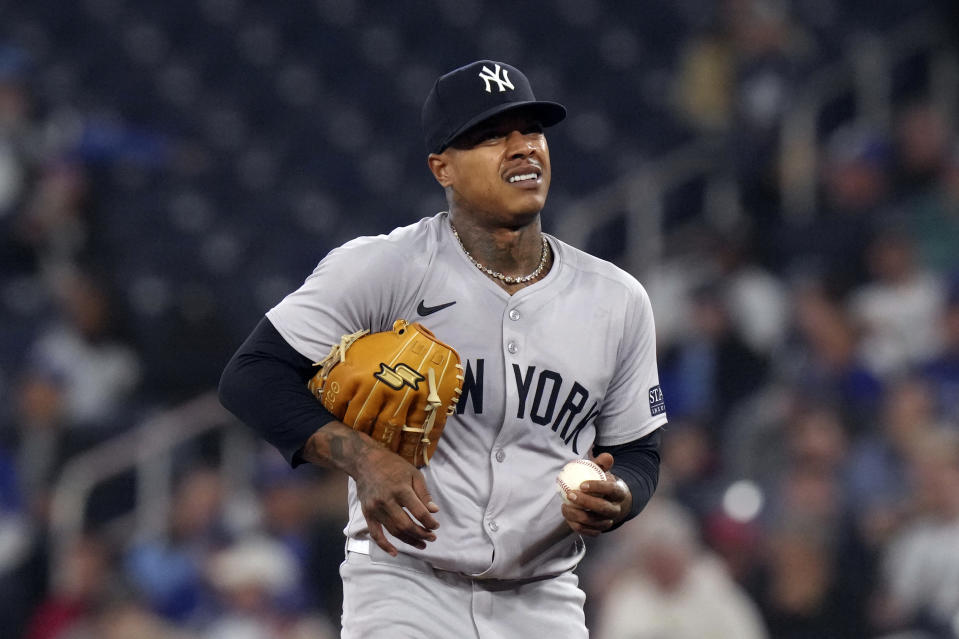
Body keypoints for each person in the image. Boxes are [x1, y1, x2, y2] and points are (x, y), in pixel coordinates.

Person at [219, 59, 666, 638]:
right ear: (442, 167)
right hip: (405, 587)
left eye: (531, 130)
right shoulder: (388, 268)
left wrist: (620, 494)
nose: (522, 148)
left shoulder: (617, 299)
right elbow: (252, 374)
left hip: (544, 600)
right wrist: (361, 456)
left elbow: (639, 452)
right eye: (490, 136)